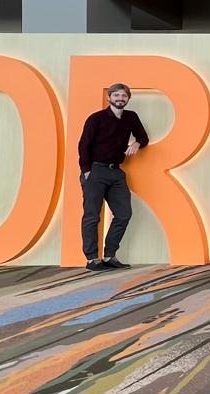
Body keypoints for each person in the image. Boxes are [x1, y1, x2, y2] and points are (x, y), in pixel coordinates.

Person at [79, 83, 148, 272]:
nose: (120, 99)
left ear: (128, 99)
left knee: (124, 213)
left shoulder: (131, 117)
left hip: (116, 172)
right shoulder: (96, 119)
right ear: (109, 98)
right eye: (116, 95)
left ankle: (110, 256)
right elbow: (83, 145)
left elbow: (143, 137)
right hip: (95, 171)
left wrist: (137, 143)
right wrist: (87, 171)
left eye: (124, 96)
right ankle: (92, 259)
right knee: (92, 216)